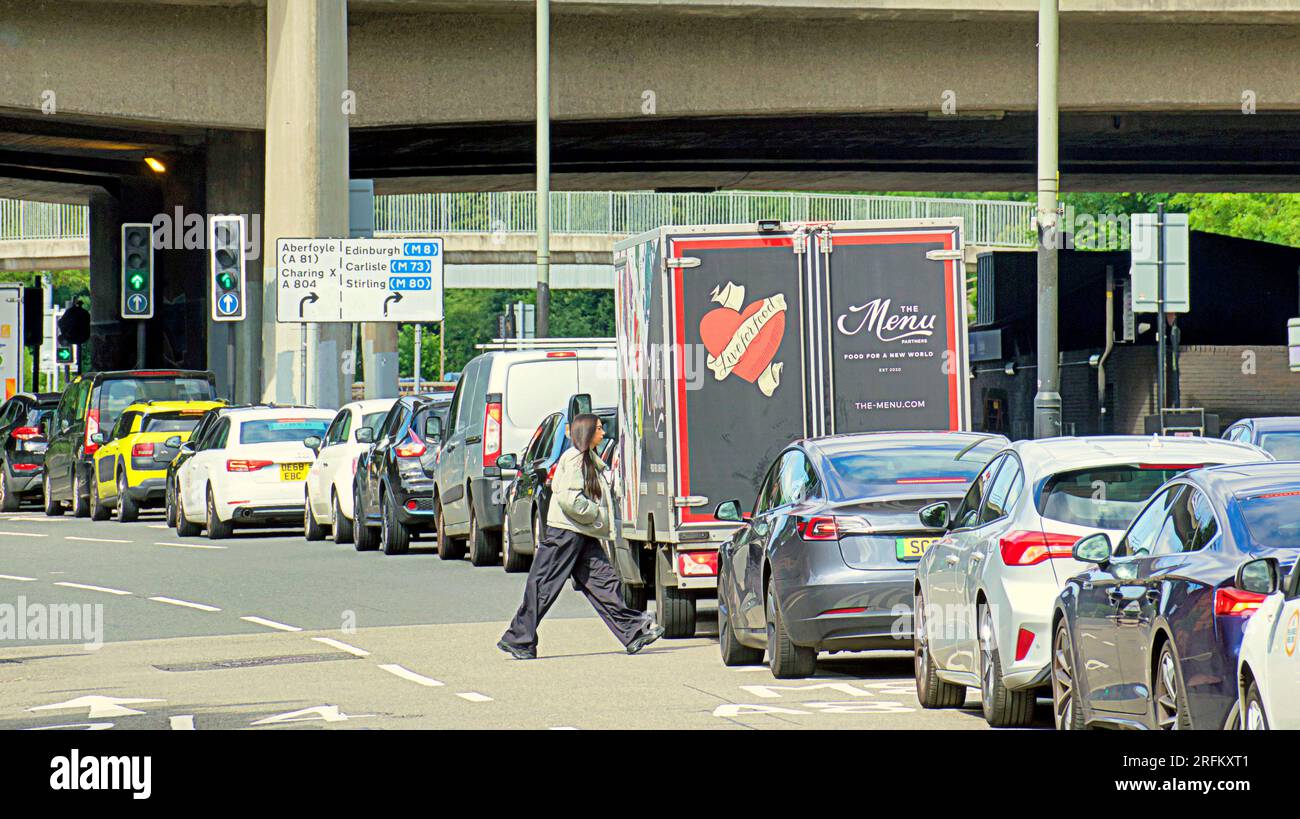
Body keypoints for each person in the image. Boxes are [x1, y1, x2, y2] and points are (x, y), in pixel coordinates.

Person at [498, 414, 664, 660]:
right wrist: (599, 515)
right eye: (598, 428)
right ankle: (519, 638)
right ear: (586, 432)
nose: (603, 432)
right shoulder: (575, 459)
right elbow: (569, 499)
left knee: (604, 583)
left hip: (581, 532)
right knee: (543, 585)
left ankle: (632, 632)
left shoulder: (587, 458)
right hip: (565, 533)